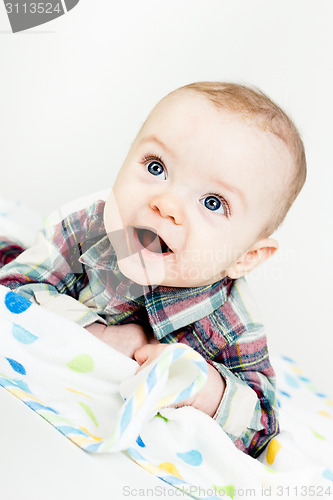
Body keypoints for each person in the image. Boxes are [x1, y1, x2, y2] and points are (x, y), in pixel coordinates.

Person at [0, 81, 306, 458]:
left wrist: (205, 388)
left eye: (212, 203)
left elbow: (262, 428)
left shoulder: (232, 323)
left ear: (244, 257)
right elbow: (14, 288)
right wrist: (97, 332)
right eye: (156, 167)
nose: (166, 204)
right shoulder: (89, 228)